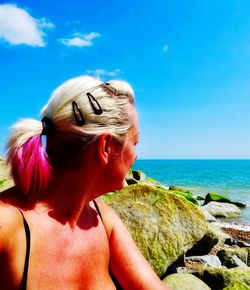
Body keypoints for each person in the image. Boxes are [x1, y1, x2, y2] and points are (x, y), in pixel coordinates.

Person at [0, 76, 169, 289]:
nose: (136, 155)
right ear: (106, 147)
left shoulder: (103, 218)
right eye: (134, 142)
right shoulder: (6, 225)